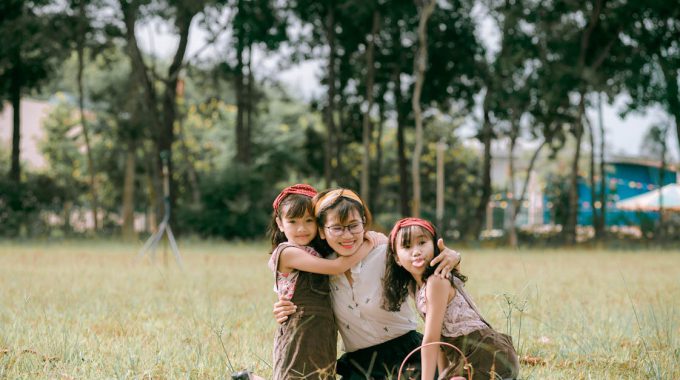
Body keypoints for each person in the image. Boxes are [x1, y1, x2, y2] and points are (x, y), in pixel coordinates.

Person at [274, 188, 462, 379]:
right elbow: (300, 292)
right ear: (322, 231)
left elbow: (428, 270)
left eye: (354, 225)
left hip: (406, 352)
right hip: (360, 364)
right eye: (337, 228)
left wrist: (453, 257)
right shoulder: (322, 269)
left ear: (364, 222)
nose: (347, 236)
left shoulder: (387, 253)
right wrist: (283, 305)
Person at [383, 217, 520, 380]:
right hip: (464, 358)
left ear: (434, 245)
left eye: (422, 243)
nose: (416, 251)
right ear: (397, 258)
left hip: (486, 354)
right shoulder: (416, 287)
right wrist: (442, 375)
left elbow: (431, 339)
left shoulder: (436, 281)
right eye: (407, 246)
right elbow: (441, 340)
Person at [268, 184, 377, 380]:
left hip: (324, 330)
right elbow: (336, 267)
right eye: (292, 221)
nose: (301, 228)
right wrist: (369, 243)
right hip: (300, 330)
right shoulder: (287, 253)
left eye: (309, 220)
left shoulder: (318, 252)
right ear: (280, 223)